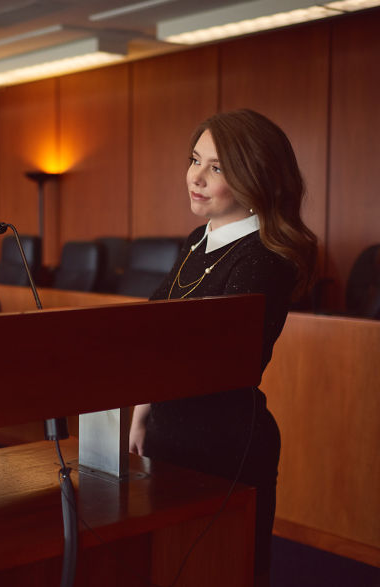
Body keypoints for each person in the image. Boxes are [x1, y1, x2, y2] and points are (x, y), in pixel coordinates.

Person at [128, 109, 317, 582]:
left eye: (217, 167)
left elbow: (211, 361)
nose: (196, 176)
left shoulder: (268, 259)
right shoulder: (198, 240)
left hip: (223, 445)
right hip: (170, 434)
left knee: (220, 571)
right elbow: (156, 324)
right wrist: (141, 411)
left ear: (256, 177)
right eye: (196, 159)